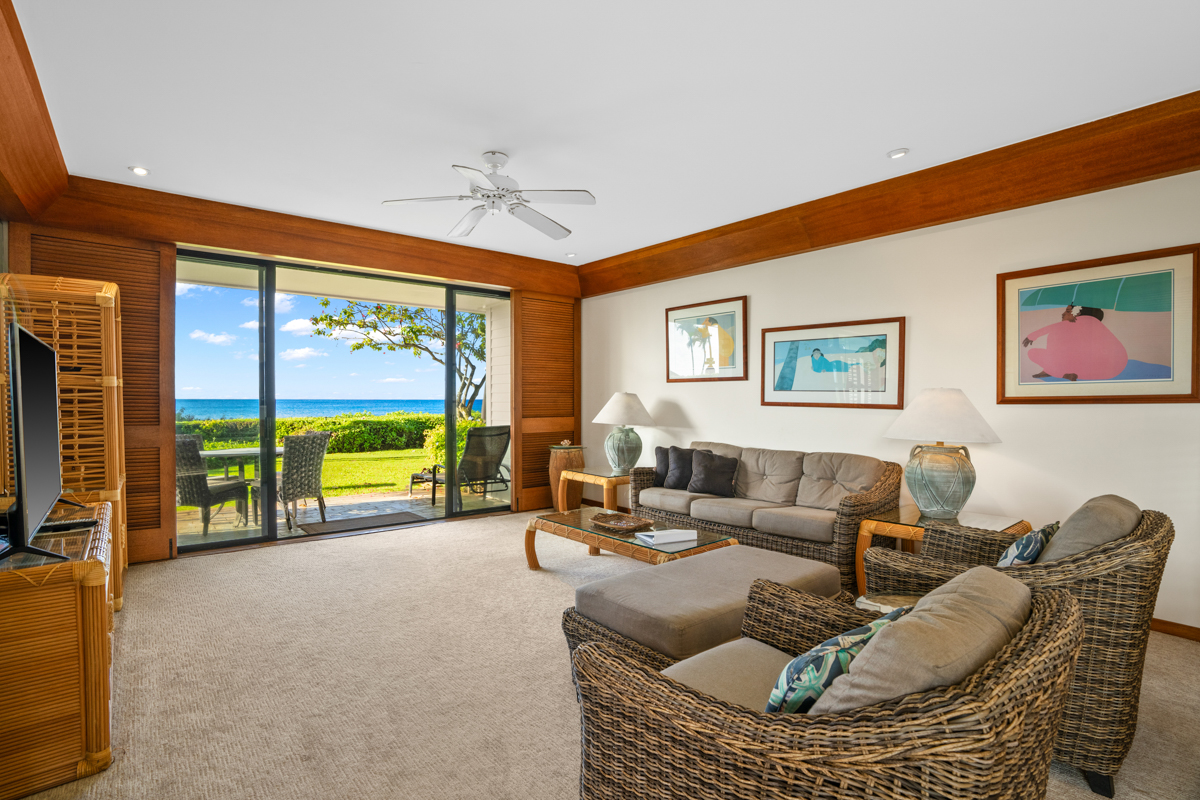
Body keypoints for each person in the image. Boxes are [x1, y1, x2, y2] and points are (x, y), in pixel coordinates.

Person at [1022, 304, 1128, 381]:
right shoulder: (1094, 324)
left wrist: (1031, 336)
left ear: (1078, 313)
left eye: (1068, 311)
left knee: (1033, 352)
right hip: (1112, 371)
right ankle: (1057, 371)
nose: (1063, 314)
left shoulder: (1078, 322)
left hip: (1085, 369)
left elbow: (1052, 328)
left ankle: (1058, 372)